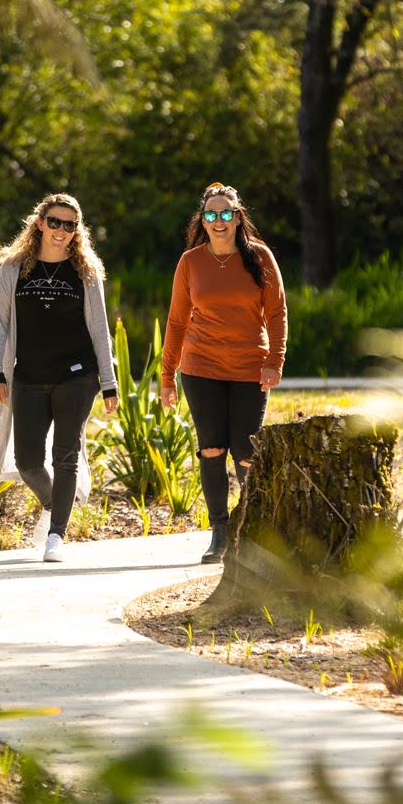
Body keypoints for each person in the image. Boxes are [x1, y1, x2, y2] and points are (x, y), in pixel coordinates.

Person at [0, 193, 119, 562]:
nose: (61, 231)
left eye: (70, 225)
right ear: (39, 222)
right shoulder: (14, 268)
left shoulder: (85, 273)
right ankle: (53, 503)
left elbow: (100, 331)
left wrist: (109, 382)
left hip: (77, 375)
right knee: (26, 460)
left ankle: (56, 535)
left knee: (66, 454)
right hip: (28, 376)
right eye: (54, 222)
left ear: (77, 230)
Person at [159, 182, 288, 563]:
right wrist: (168, 376)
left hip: (250, 366)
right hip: (201, 368)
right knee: (211, 448)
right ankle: (219, 533)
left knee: (246, 452)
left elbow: (277, 314)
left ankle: (251, 531)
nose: (219, 221)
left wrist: (274, 361)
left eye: (226, 213)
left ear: (237, 217)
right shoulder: (191, 262)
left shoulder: (260, 258)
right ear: (203, 220)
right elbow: (177, 321)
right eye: (211, 215)